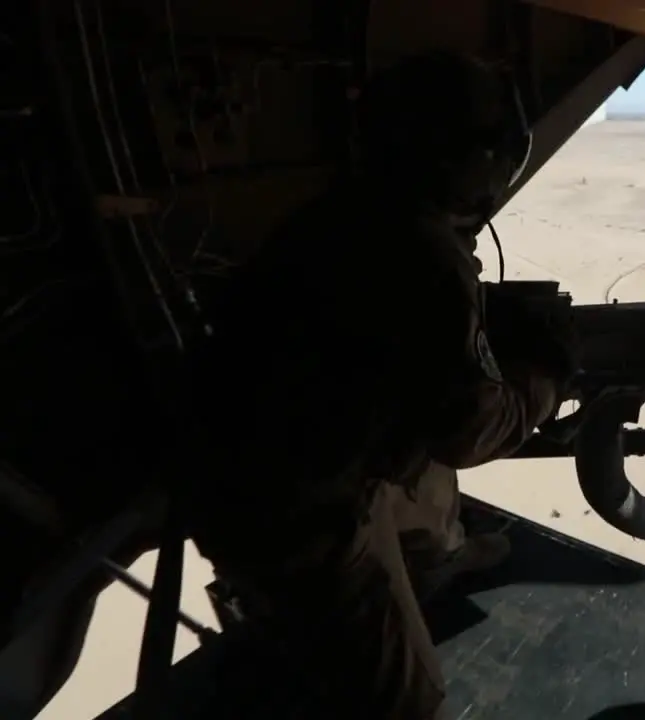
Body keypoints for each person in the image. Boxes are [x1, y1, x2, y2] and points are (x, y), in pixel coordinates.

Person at [188, 50, 575, 718]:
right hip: (297, 512)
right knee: (409, 699)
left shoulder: (333, 216)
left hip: (238, 463)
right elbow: (473, 429)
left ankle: (432, 560)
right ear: (453, 156)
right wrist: (546, 381)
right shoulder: (424, 254)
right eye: (487, 151)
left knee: (422, 482)